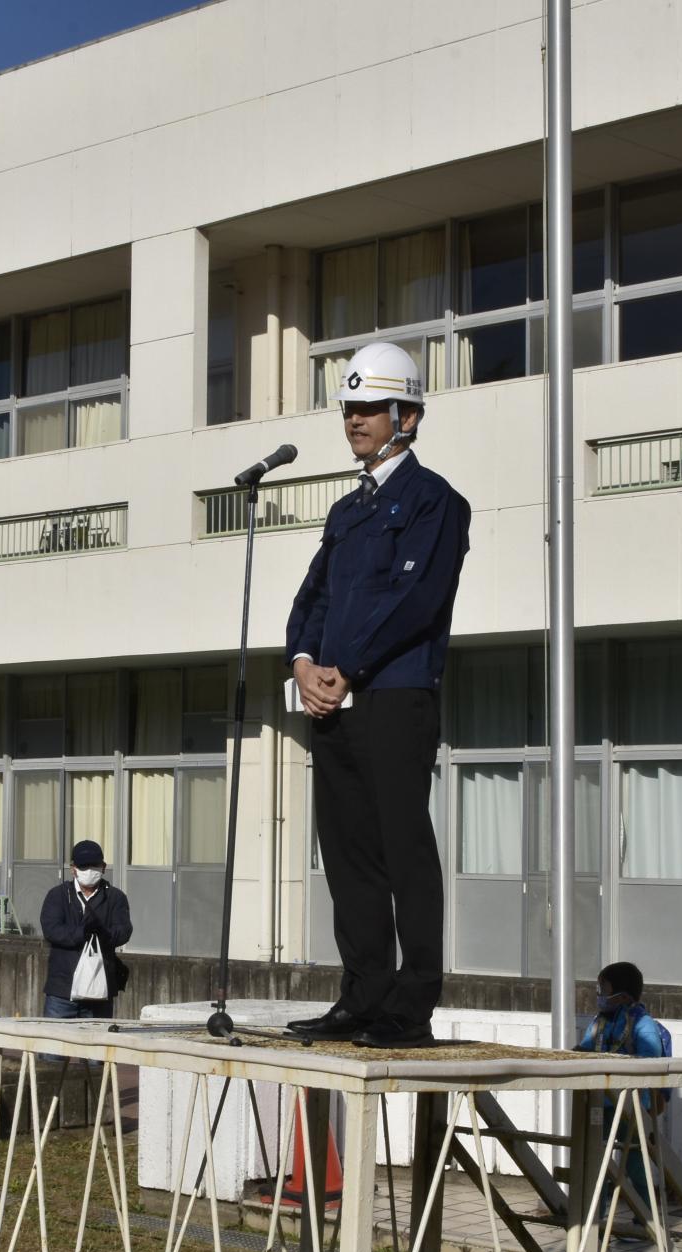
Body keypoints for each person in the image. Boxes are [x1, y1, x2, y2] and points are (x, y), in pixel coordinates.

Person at [282, 342, 472, 1050]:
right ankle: (362, 992)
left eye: (368, 408)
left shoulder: (436, 502)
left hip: (394, 696)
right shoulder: (345, 510)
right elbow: (314, 598)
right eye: (349, 408)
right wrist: (304, 662)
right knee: (349, 853)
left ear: (409, 415)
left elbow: (414, 600)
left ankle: (410, 1003)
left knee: (403, 850)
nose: (354, 420)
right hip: (335, 701)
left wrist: (347, 668)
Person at [575, 962, 673, 1204]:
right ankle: (594, 1221)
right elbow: (586, 1048)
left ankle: (646, 1218)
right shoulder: (601, 1021)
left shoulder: (642, 1023)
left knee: (634, 1162)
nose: (599, 995)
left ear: (622, 994)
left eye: (604, 989)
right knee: (595, 1161)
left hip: (632, 1105)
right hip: (602, 1101)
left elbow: (649, 1059)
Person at [39, 840, 132, 1021]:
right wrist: (82, 933)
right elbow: (51, 930)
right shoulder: (58, 895)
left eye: (94, 865)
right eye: (83, 866)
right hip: (62, 991)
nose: (89, 870)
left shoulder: (115, 897)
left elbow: (124, 931)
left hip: (100, 991)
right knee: (54, 1046)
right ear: (73, 868)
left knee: (96, 1046)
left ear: (103, 867)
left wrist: (104, 933)